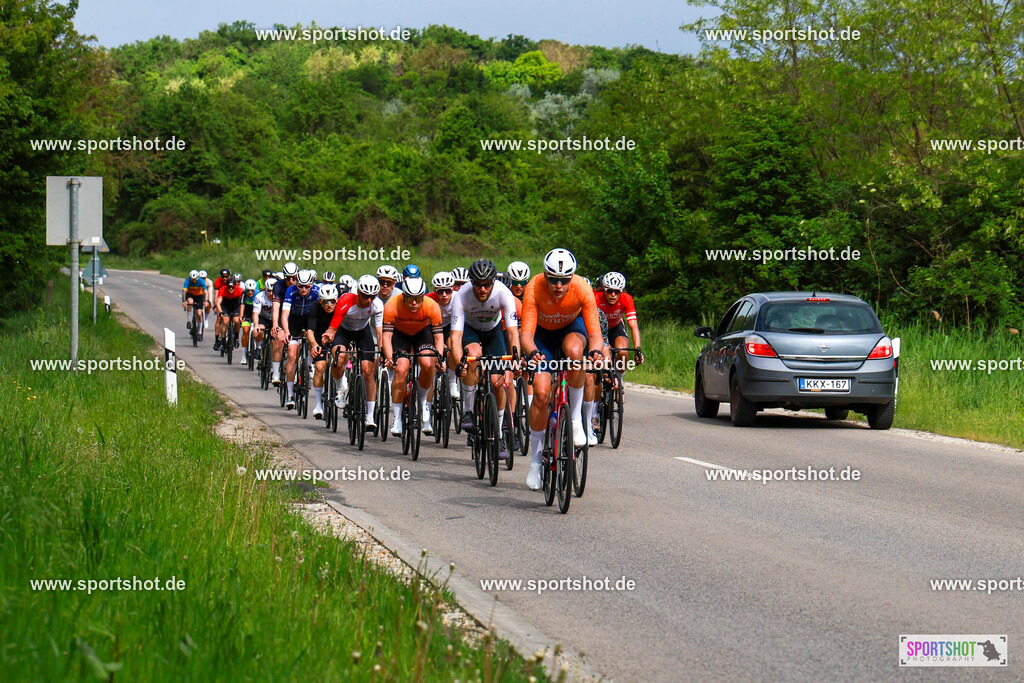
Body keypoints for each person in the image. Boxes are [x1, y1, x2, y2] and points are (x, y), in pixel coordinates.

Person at [520, 248, 603, 490]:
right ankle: (536, 462)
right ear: (545, 276)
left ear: (572, 278)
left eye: (564, 280)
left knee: (577, 354)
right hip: (542, 336)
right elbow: (526, 336)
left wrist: (596, 352)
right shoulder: (534, 288)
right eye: (553, 279)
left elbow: (595, 335)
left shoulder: (582, 289)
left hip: (571, 329)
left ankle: (575, 420)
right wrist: (532, 353)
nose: (558, 285)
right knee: (542, 394)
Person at [449, 259, 520, 460]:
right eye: (478, 284)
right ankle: (469, 411)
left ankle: (498, 435)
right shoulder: (461, 296)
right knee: (472, 355)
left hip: (493, 332)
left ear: (493, 282)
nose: (482, 289)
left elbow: (513, 332)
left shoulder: (503, 292)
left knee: (499, 382)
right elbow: (455, 337)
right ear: (471, 283)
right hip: (470, 332)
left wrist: (515, 358)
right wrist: (460, 362)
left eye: (487, 284)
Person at [380, 276, 443, 436]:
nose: (414, 303)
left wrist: (440, 358)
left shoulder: (432, 306)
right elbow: (386, 337)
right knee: (401, 369)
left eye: (417, 299)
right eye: (410, 299)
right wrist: (389, 358)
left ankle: (423, 401)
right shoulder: (392, 304)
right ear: (403, 297)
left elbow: (438, 337)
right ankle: (397, 418)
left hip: (422, 333)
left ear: (423, 296)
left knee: (428, 363)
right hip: (400, 335)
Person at [320, 275, 383, 429]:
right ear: (359, 292)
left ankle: (369, 416)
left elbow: (380, 333)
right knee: (339, 357)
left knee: (368, 372)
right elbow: (333, 327)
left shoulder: (377, 305)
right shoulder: (346, 301)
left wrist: (382, 352)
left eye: (372, 296)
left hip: (363, 332)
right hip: (344, 331)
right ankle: (340, 387)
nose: (369, 300)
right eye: (365, 296)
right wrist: (328, 335)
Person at [281, 269, 320, 409]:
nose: (303, 289)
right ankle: (290, 394)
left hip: (310, 319)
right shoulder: (290, 291)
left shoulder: (317, 291)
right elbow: (284, 314)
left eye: (307, 286)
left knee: (312, 341)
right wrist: (286, 332)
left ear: (312, 284)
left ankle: (309, 364)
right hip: (294, 321)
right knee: (292, 355)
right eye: (300, 286)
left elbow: (320, 314)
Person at [182, 269, 206, 335]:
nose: (194, 281)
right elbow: (184, 291)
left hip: (199, 296)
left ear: (198, 278)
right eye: (192, 279)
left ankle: (200, 331)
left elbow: (205, 292)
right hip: (190, 295)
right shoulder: (187, 281)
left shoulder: (201, 281)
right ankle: (189, 321)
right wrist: (184, 301)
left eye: (195, 279)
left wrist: (206, 300)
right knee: (190, 302)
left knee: (199, 313)